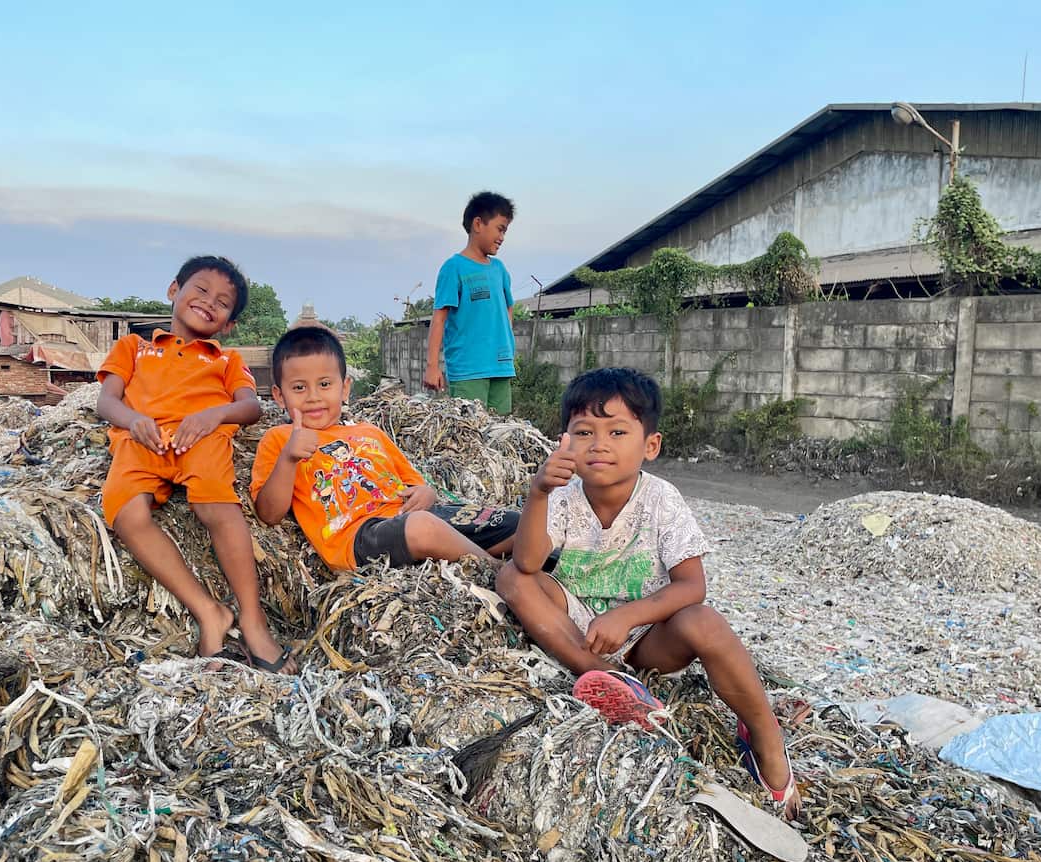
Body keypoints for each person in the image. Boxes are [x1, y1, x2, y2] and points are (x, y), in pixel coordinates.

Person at [495, 367, 799, 816]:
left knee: (706, 622)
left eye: (617, 431)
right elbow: (528, 563)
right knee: (510, 578)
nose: (599, 443)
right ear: (564, 442)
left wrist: (627, 617)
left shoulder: (661, 500)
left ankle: (764, 737)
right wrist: (538, 491)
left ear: (650, 446)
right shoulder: (561, 496)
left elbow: (693, 585)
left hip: (647, 640)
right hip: (577, 627)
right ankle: (600, 675)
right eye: (584, 431)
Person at [96, 255, 295, 674]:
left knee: (216, 507)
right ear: (174, 291)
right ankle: (208, 611)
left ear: (227, 324)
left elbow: (250, 406)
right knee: (125, 513)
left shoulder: (226, 360)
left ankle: (254, 620)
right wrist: (133, 421)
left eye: (222, 303)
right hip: (143, 439)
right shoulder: (135, 347)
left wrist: (213, 416)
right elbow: (106, 401)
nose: (209, 302)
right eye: (201, 290)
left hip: (201, 438)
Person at [252, 326, 518, 571]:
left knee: (515, 524)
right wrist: (288, 458)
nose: (313, 396)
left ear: (344, 388)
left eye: (324, 384)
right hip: (359, 534)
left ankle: (518, 562)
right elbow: (269, 513)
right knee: (422, 528)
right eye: (299, 387)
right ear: (278, 396)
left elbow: (415, 484)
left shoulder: (369, 432)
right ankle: (493, 570)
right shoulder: (280, 439)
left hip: (411, 516)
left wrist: (427, 493)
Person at [423, 191, 517, 415]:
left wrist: (504, 346)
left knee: (500, 433)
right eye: (500, 228)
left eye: (505, 231)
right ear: (478, 224)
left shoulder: (499, 269)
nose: (502, 237)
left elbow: (508, 308)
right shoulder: (454, 268)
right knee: (471, 435)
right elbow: (439, 318)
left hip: (501, 367)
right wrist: (432, 366)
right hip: (468, 370)